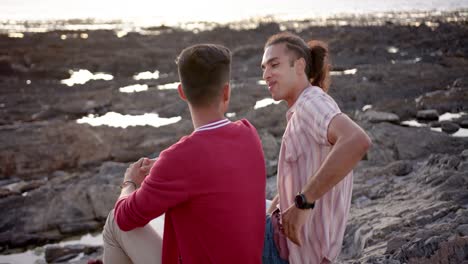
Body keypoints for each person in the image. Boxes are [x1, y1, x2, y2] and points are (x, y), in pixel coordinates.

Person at [102, 44, 267, 264]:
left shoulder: (178, 159)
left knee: (113, 222)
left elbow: (125, 218)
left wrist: (129, 182)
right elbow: (210, 160)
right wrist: (162, 168)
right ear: (226, 91)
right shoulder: (249, 133)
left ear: (181, 92)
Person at [260, 32, 372, 264]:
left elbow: (356, 140)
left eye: (274, 64)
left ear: (299, 66)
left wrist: (304, 202)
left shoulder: (311, 103)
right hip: (285, 243)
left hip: (286, 253)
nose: (266, 74)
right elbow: (307, 169)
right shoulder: (303, 108)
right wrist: (277, 207)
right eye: (263, 67)